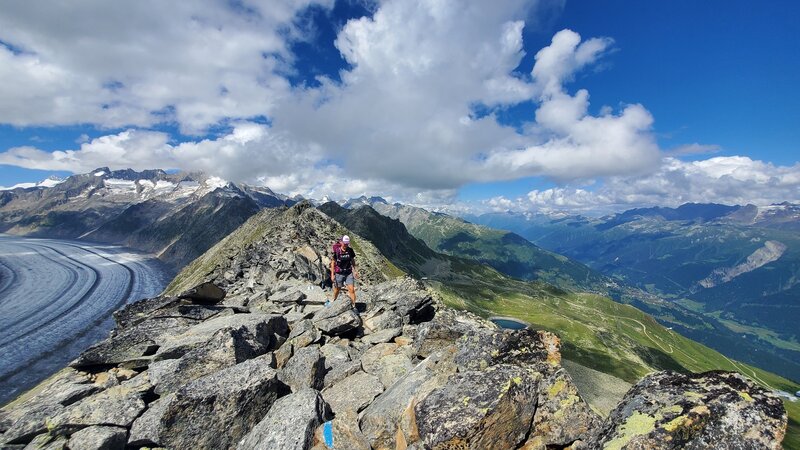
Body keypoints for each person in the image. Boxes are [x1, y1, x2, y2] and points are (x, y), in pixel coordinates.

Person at [331, 235, 359, 309]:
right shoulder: (337, 251)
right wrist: (332, 274)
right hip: (339, 273)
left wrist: (355, 271)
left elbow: (352, 260)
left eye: (347, 243)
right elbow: (333, 262)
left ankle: (353, 306)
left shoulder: (350, 250)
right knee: (337, 289)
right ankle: (334, 300)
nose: (346, 244)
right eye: (345, 243)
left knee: (351, 289)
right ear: (341, 242)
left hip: (348, 272)